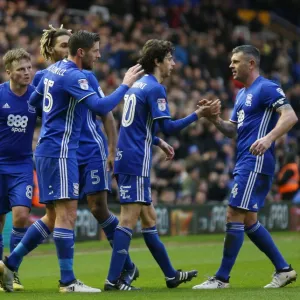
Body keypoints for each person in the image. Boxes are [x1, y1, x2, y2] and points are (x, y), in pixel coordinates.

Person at [0, 30, 143, 293]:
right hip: (62, 151)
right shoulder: (75, 76)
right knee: (67, 215)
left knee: (54, 216)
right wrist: (125, 84)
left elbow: (32, 101)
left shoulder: (49, 74)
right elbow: (102, 108)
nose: (99, 55)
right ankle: (68, 281)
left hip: (46, 150)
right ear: (80, 52)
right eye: (96, 50)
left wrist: (53, 115)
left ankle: (11, 262)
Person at [104, 39, 221, 291]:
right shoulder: (155, 87)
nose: (174, 64)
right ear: (157, 61)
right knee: (127, 221)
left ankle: (170, 275)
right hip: (135, 161)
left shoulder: (138, 85)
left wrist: (157, 141)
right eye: (170, 58)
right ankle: (113, 281)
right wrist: (198, 115)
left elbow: (137, 126)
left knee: (149, 219)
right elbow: (168, 126)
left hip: (130, 156)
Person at [192, 45, 298, 290]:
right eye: (231, 61)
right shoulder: (241, 95)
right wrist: (212, 118)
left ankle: (221, 278)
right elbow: (232, 131)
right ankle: (284, 269)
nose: (231, 65)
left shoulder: (267, 87)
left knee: (234, 214)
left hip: (256, 161)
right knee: (249, 220)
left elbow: (290, 116)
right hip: (243, 160)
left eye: (236, 61)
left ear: (251, 64)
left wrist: (269, 138)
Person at [0, 48, 37, 292]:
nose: (27, 73)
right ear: (9, 72)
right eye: (21, 69)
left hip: (23, 164)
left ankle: (12, 272)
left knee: (22, 216)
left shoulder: (37, 95)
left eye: (29, 68)